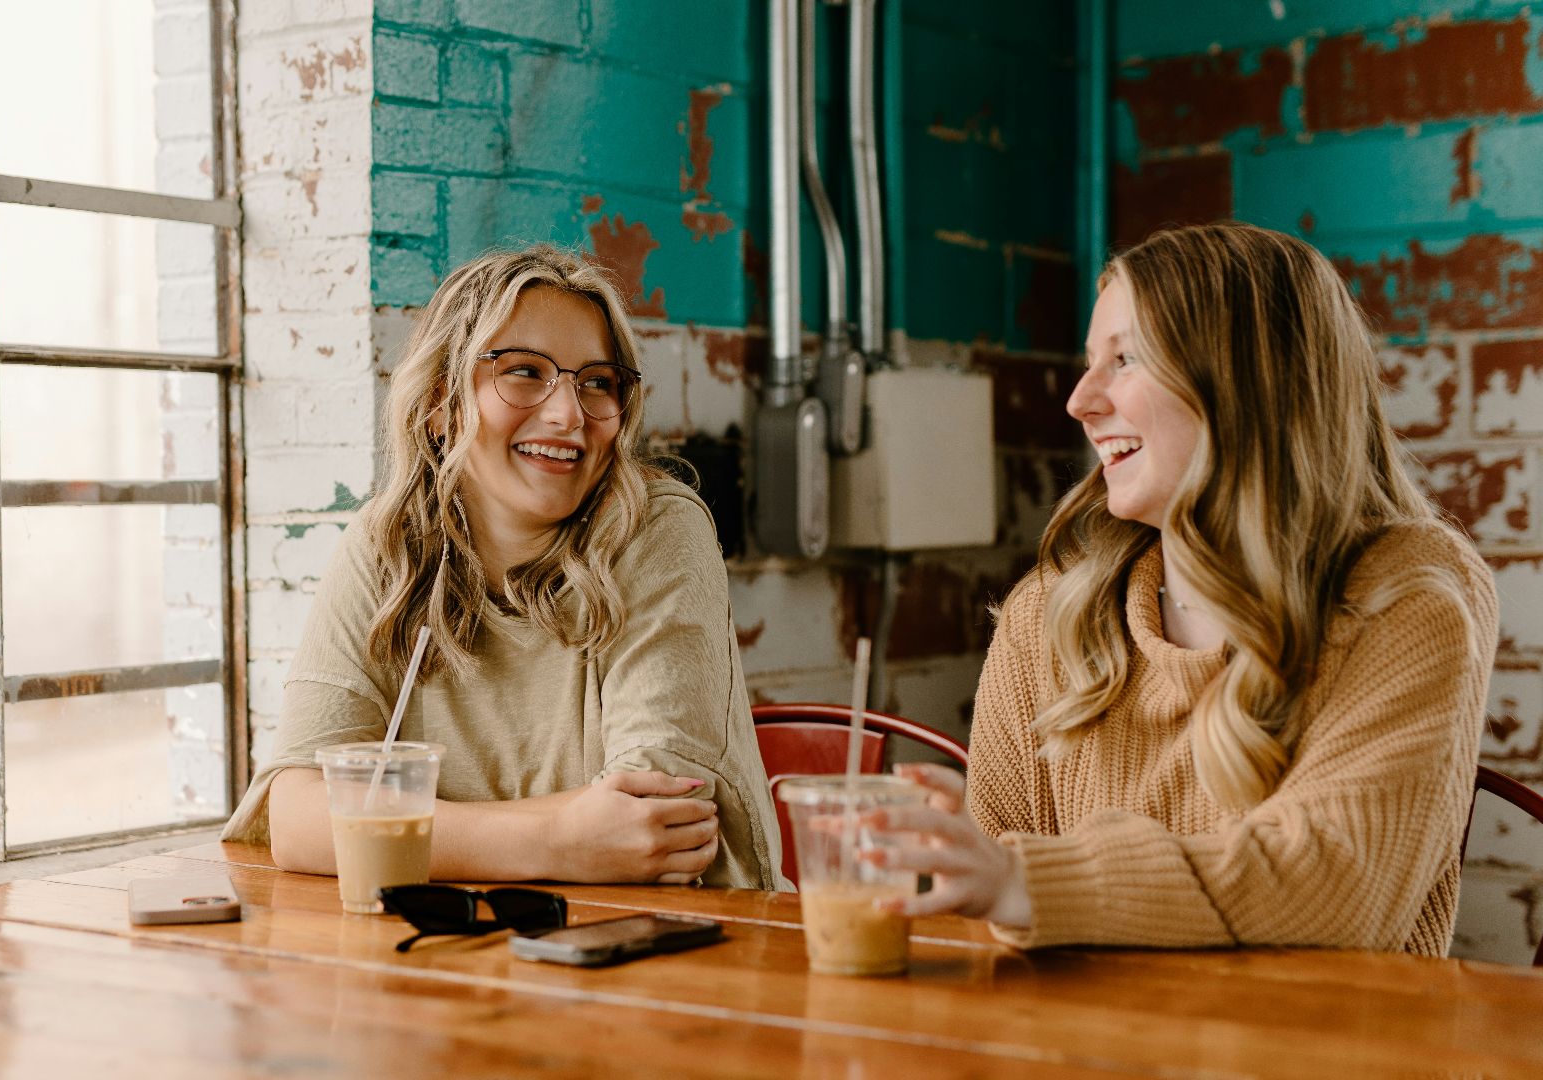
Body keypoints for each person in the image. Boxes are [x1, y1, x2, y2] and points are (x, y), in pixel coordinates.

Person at [874, 222, 1497, 956]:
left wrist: (1026, 879)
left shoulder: (1413, 596)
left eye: (1125, 359)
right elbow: (987, 923)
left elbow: (1333, 884)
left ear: (1249, 382)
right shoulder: (1048, 614)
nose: (1079, 401)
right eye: (1087, 363)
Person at [222, 244, 782, 890]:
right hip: (464, 952)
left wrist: (395, 825)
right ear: (442, 403)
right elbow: (295, 817)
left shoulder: (656, 527)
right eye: (523, 372)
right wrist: (557, 841)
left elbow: (651, 826)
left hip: (691, 952)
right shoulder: (386, 546)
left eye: (597, 382)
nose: (569, 414)